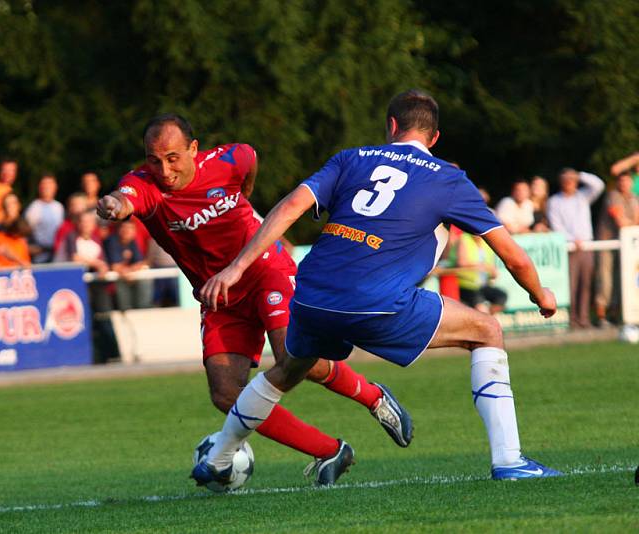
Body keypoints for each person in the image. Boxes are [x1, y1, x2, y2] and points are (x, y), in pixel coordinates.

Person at [195, 89, 561, 488]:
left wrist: (235, 268)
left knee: (286, 370)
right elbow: (514, 257)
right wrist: (539, 293)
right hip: (376, 303)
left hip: (311, 296)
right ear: (434, 138)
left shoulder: (350, 158)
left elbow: (288, 208)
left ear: (391, 126)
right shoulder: (449, 179)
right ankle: (509, 460)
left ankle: (217, 458)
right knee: (487, 331)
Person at [97, 113, 411, 485]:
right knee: (225, 393)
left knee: (295, 359)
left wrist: (244, 197)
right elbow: (125, 198)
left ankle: (374, 397)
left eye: (173, 157)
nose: (164, 169)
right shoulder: (145, 186)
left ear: (194, 149)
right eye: (154, 159)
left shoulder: (229, 160)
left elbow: (249, 159)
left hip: (265, 270)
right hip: (219, 297)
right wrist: (114, 206)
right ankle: (330, 450)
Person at [547, 167, 605, 329]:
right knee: (571, 285)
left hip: (586, 246)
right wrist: (572, 239)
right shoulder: (554, 201)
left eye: (572, 180)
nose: (569, 183)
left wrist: (580, 175)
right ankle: (571, 319)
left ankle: (584, 318)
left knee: (586, 284)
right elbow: (556, 224)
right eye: (566, 180)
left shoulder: (582, 196)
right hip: (569, 247)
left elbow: (599, 185)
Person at [594, 171, 639, 325]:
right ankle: (601, 316)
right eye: (621, 181)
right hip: (608, 242)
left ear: (631, 183)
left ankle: (615, 314)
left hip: (626, 245)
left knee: (622, 278)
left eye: (627, 181)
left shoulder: (634, 198)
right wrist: (633, 224)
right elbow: (620, 220)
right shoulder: (612, 196)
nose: (624, 184)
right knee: (604, 279)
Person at [453, 232, 508, 314]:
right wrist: (482, 267)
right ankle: (484, 319)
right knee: (481, 307)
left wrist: (493, 273)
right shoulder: (464, 239)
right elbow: (461, 263)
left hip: (483, 285)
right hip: (467, 285)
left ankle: (486, 319)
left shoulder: (486, 242)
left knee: (501, 296)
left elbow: (491, 267)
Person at [104, 219, 153, 310]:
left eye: (130, 228)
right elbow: (115, 267)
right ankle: (127, 310)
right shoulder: (111, 241)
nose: (127, 230)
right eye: (124, 227)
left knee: (144, 278)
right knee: (120, 282)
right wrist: (129, 270)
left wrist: (129, 270)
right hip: (110, 283)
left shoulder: (132, 242)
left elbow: (141, 263)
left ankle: (144, 309)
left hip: (128, 278)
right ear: (118, 229)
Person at [25, 174, 65, 263]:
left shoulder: (59, 207)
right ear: (39, 187)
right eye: (44, 184)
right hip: (40, 257)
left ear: (55, 187)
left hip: (57, 255)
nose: (47, 187)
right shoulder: (33, 208)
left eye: (50, 184)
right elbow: (26, 234)